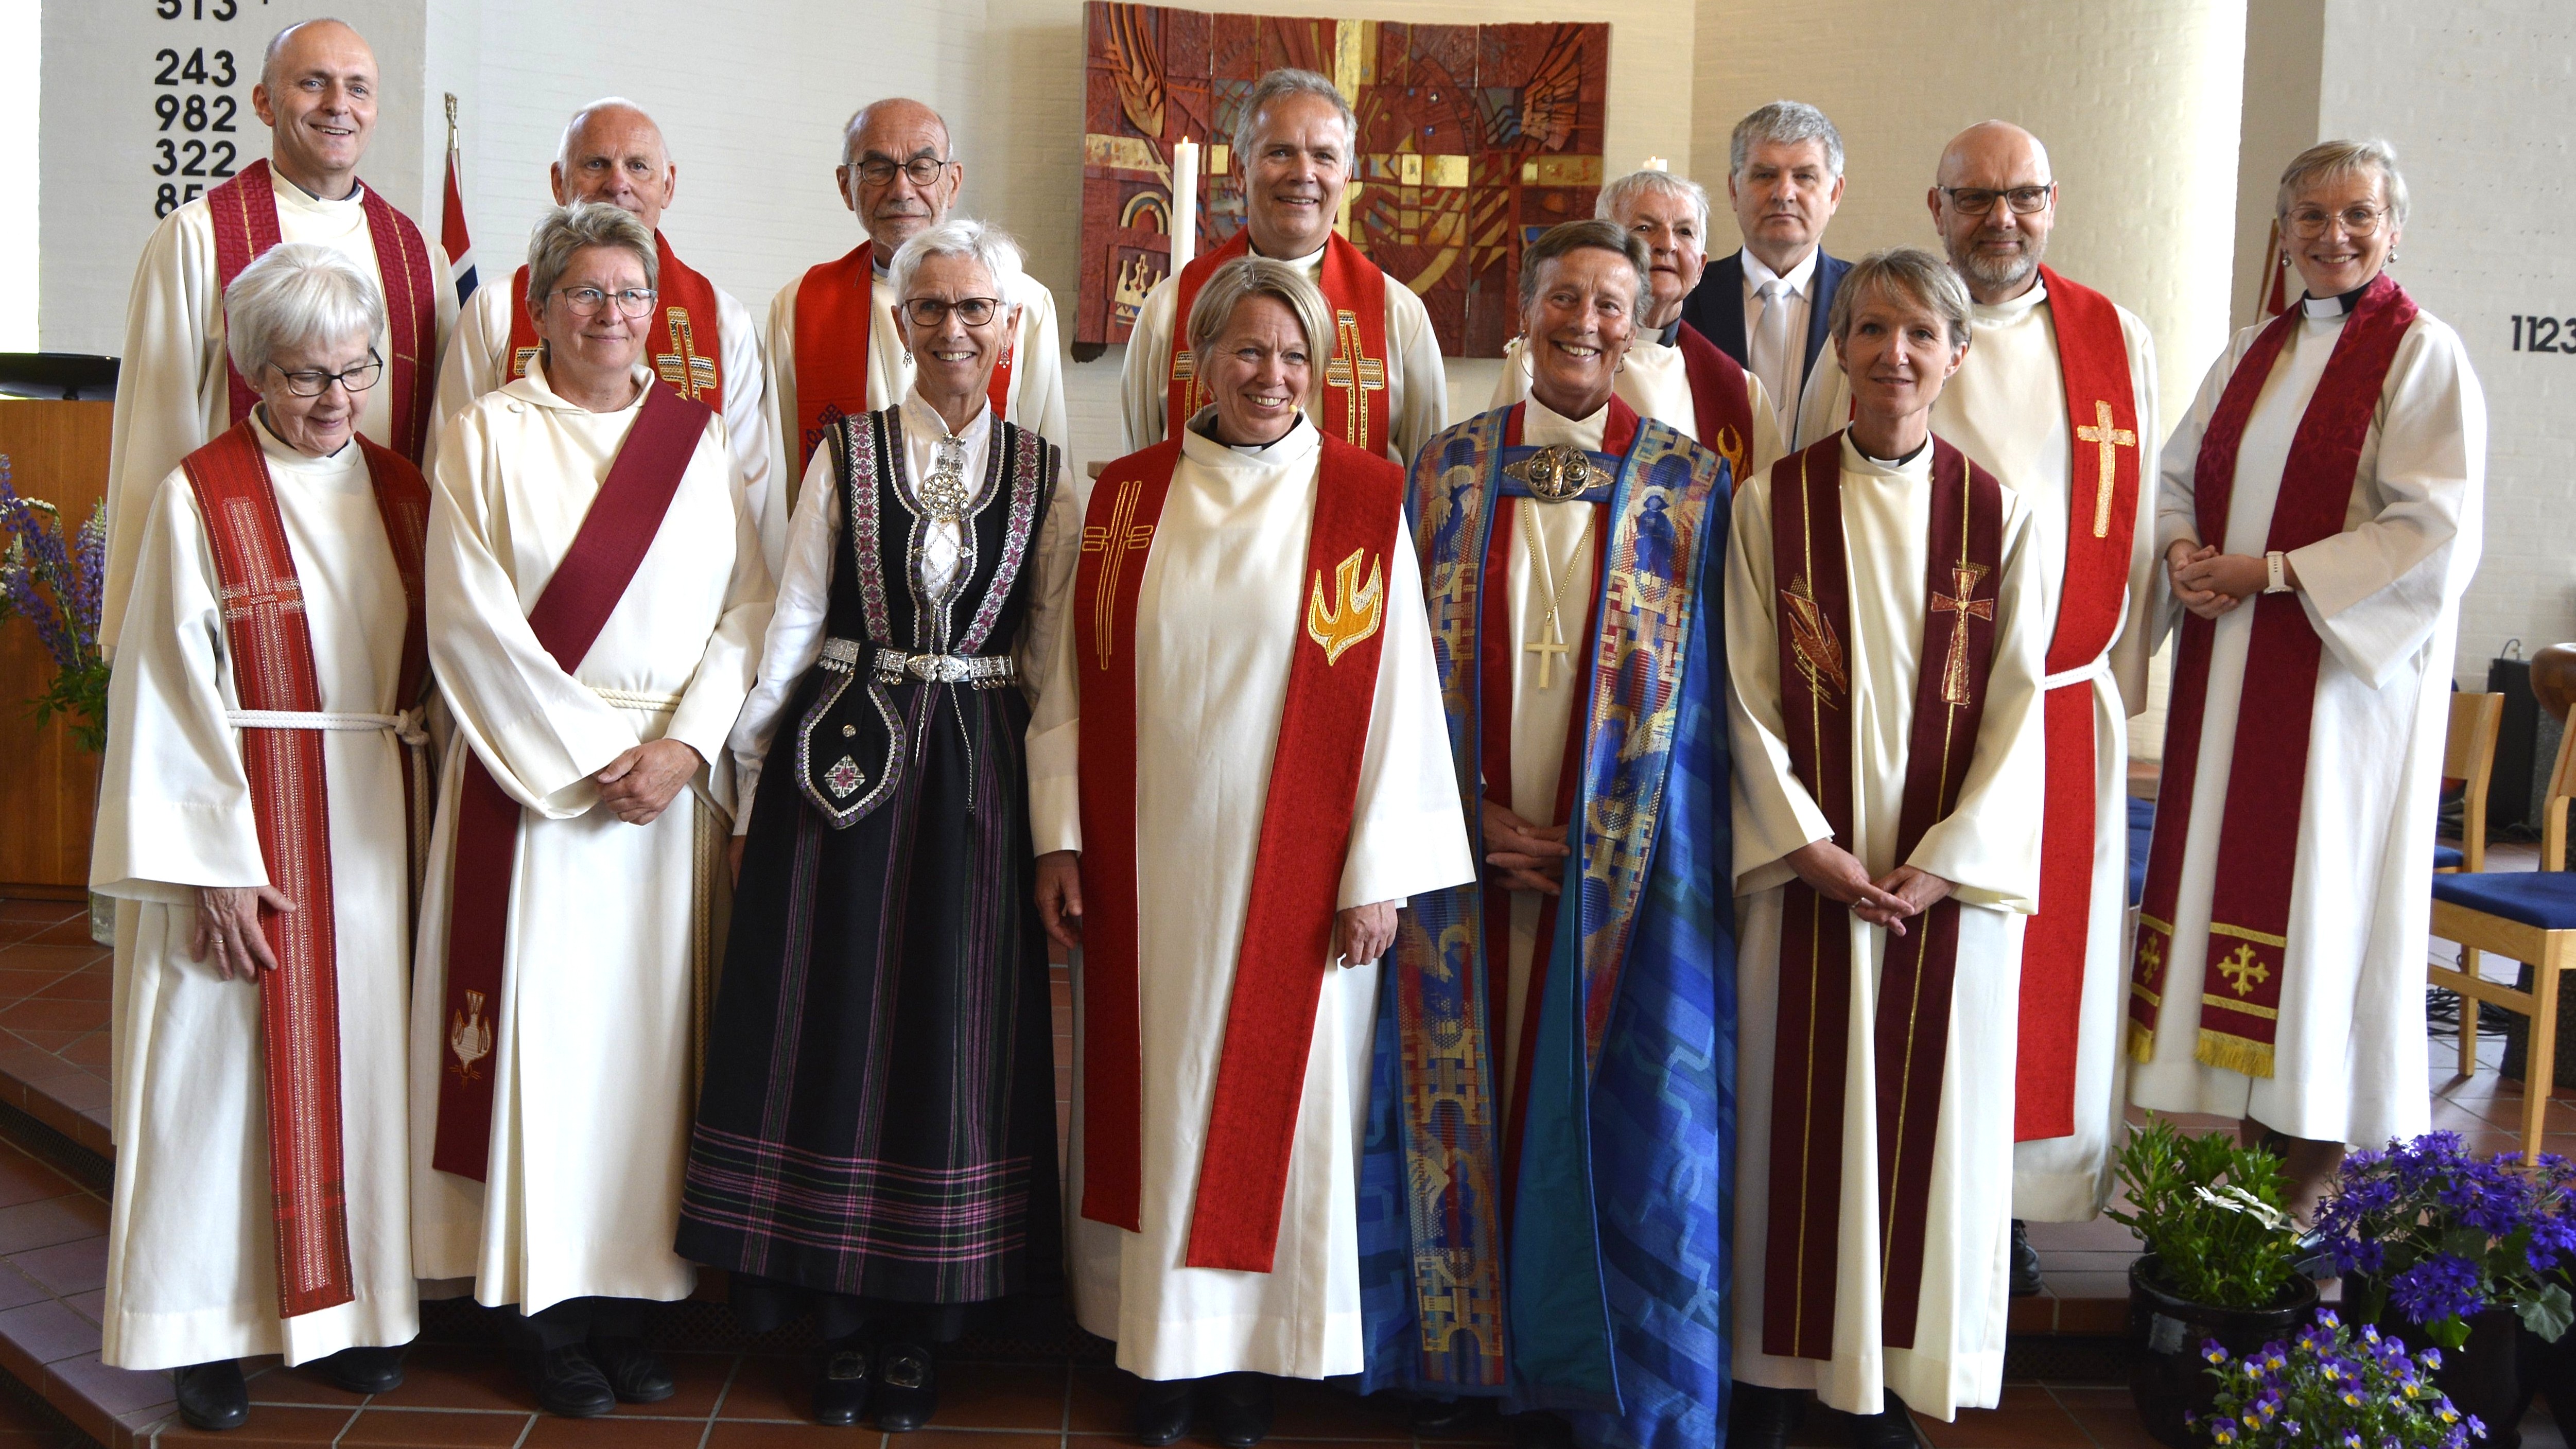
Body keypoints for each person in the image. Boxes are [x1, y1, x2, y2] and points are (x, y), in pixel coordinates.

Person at [1031, 256, 1472, 1446]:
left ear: (1318, 375)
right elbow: (1067, 678)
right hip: (1146, 861)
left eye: (1292, 358)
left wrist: (1376, 866)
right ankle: (1159, 1351)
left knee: (1278, 1110)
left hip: (1303, 877)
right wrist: (1059, 838)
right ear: (1200, 362)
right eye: (1245, 351)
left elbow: (1396, 697)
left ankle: (1251, 1360)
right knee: (1157, 1095)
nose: (1268, 375)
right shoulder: (1121, 496)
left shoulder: (1359, 503)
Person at [677, 218, 1073, 1430]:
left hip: (976, 788)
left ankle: (925, 1324)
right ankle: (837, 1322)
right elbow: (792, 620)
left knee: (948, 1041)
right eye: (930, 309)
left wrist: (1054, 830)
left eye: (975, 310)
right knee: (832, 1029)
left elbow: (1052, 668)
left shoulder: (1050, 472)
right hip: (839, 779)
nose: (953, 330)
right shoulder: (842, 455)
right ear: (898, 324)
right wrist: (744, 777)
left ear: (1008, 328)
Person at [1363, 219, 1737, 1449]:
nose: (1584, 321)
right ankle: (1455, 1361)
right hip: (1461, 847)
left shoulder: (1691, 486)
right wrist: (1457, 814)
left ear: (1640, 323)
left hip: (1619, 871)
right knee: (1458, 1090)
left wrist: (1605, 834)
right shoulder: (1446, 469)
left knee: (1606, 1107)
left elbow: (1707, 708)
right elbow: (1391, 673)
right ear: (1521, 314)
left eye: (1608, 303)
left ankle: (1594, 1371)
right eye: (1562, 297)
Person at [409, 202, 772, 1419]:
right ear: (540, 305)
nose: (608, 315)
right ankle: (545, 1309)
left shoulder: (698, 441)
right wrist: (590, 759)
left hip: (663, 797)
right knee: (544, 1050)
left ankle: (632, 1300)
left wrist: (680, 748)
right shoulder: (485, 434)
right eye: (584, 293)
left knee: (646, 1054)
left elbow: (748, 609)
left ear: (656, 314)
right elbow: (466, 618)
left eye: (629, 295)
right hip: (536, 789)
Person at [92, 243, 431, 1433]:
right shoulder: (203, 495)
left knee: (362, 1072)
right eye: (303, 376)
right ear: (251, 375)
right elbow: (166, 694)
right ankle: (207, 1331)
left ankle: (350, 1314)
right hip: (244, 820)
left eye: (356, 369)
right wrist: (215, 869)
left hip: (377, 818)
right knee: (216, 1077)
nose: (335, 397)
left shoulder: (404, 491)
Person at [1725, 248, 2045, 1447]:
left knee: (1920, 1139)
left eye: (1919, 334)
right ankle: (1773, 1375)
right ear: (1838, 353)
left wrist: (1947, 857)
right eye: (1868, 332)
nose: (1892, 355)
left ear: (1956, 355)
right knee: (1785, 1126)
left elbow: (2017, 709)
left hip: (1934, 893)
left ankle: (1884, 1384)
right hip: (1805, 882)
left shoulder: (1998, 511)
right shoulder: (1771, 504)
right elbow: (1745, 695)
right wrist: (1803, 844)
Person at [2128, 140, 2483, 1218]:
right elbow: (2176, 475)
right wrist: (2186, 551)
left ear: (2394, 229)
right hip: (2230, 681)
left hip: (2336, 706)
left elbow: (2433, 529)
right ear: (2281, 233)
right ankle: (2249, 1170)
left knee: (2320, 916)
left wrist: (2273, 575)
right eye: (2311, 217)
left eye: (2358, 216)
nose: (2334, 236)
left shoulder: (2423, 355)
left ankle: (2305, 1186)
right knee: (2243, 920)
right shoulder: (2251, 351)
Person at [1921, 121, 2162, 1287]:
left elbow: (2145, 534)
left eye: (2019, 198)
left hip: (2061, 708)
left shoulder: (2109, 338)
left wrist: (2117, 680)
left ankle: (2013, 1210)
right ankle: (1920, 1180)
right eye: (1973, 199)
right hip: (1922, 713)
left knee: (2036, 964)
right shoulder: (1892, 318)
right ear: (1934, 209)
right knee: (1934, 949)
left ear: (2051, 203)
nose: (1997, 221)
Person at [103, 16, 456, 652]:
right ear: (264, 102)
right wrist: (139, 627)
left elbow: (438, 438)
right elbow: (154, 437)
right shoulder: (199, 238)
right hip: (237, 577)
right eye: (313, 84)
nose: (337, 106)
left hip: (380, 578)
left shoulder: (417, 256)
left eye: (358, 88)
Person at [428, 99, 776, 565]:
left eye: (638, 166)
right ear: (558, 181)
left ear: (668, 184)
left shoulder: (722, 319)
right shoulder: (496, 309)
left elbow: (750, 495)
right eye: (596, 164)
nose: (618, 184)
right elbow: (449, 473)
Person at [1119, 68, 1446, 464]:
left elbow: (1425, 480)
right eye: (1280, 152)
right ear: (1240, 171)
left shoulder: (1398, 315)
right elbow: (1143, 464)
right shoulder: (1171, 308)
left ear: (1345, 179)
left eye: (1323, 156)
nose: (1303, 174)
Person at [766, 98, 1069, 514]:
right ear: (845, 186)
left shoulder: (1022, 302)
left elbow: (1048, 471)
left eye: (922, 168)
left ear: (954, 180)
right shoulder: (801, 306)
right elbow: (780, 481)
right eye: (878, 169)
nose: (902, 189)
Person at [1488, 170, 1786, 485]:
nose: (1667, 244)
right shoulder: (1541, 359)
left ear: (1700, 267)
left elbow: (1756, 520)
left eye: (1684, 231)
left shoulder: (1740, 391)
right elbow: (1497, 481)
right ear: (1606, 248)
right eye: (1644, 228)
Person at [1678, 101, 1850, 451]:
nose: (1783, 193)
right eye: (1764, 175)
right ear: (1734, 190)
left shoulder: (1868, 301)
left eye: (1804, 176)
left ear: (1834, 194)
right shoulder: (1682, 298)